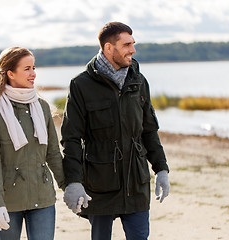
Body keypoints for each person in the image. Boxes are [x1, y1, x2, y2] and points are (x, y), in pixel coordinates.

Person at [61, 22, 170, 240]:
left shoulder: (139, 82)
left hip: (136, 182)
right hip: (99, 184)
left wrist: (161, 169)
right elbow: (71, 138)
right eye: (127, 44)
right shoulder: (81, 85)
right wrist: (73, 182)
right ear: (109, 48)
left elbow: (149, 130)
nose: (133, 50)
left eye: (133, 43)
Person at [0, 47, 65, 240]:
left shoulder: (42, 107)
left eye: (33, 67)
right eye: (27, 68)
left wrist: (69, 186)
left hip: (43, 198)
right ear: (10, 73)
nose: (33, 73)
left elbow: (53, 153)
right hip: (9, 201)